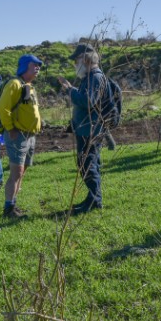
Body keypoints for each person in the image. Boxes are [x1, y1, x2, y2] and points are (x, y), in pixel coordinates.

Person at [58, 44, 108, 214]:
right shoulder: (90, 77)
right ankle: (92, 198)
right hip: (87, 129)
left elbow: (88, 102)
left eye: (76, 60)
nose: (75, 64)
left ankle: (95, 200)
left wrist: (69, 89)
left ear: (86, 59)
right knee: (89, 164)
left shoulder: (95, 78)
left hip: (90, 130)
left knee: (87, 164)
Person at [0, 54, 43, 219]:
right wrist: (10, 128)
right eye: (34, 65)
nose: (38, 68)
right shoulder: (14, 84)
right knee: (16, 173)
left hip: (30, 135)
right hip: (18, 135)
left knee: (22, 172)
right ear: (24, 66)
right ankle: (8, 208)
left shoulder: (29, 86)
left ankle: (14, 204)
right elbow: (3, 108)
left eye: (39, 65)